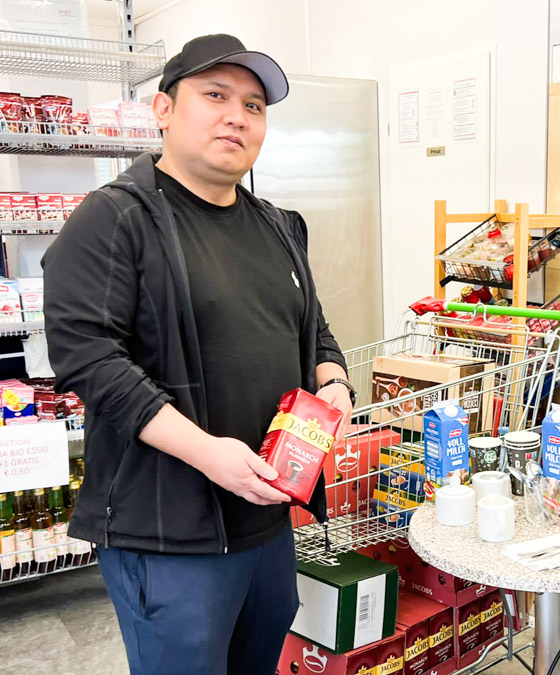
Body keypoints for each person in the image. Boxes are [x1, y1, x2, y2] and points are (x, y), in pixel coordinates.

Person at [42, 34, 356, 675]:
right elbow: (87, 357)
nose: (237, 115)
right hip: (169, 531)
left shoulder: (277, 224)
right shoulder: (115, 219)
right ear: (163, 110)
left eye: (254, 105)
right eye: (215, 95)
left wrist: (334, 379)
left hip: (267, 513)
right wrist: (206, 452)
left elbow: (312, 325)